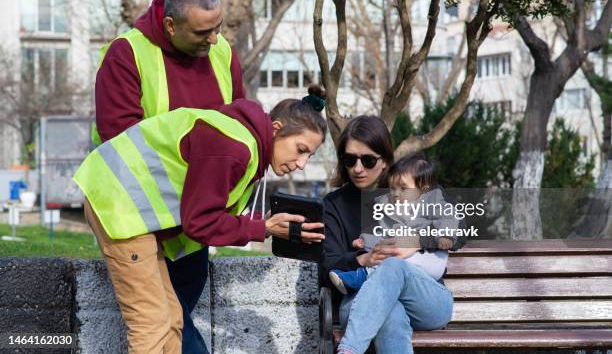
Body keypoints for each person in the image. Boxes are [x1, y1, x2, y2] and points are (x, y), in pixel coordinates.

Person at [74, 86, 327, 353]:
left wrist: (262, 224)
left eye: (309, 156)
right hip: (118, 204)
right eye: (300, 149)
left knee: (172, 318)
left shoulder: (244, 141)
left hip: (128, 208)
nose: (301, 164)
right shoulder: (234, 148)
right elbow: (201, 222)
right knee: (151, 323)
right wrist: (262, 228)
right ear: (276, 128)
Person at [93, 0, 245, 354]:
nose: (213, 40)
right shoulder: (126, 53)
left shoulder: (222, 52)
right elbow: (121, 145)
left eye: (217, 28)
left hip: (193, 225)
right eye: (202, 32)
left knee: (175, 323)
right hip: (139, 220)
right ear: (171, 25)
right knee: (159, 326)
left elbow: (237, 123)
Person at [319, 116, 456, 354]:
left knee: (392, 268)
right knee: (388, 311)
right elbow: (326, 265)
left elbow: (458, 229)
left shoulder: (414, 185)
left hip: (422, 299)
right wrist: (362, 259)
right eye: (350, 160)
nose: (357, 168)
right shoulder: (334, 205)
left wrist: (417, 241)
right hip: (361, 299)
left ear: (385, 160)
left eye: (368, 160)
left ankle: (349, 349)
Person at [328, 154, 459, 294]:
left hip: (430, 259)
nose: (396, 194)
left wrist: (446, 235)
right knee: (388, 255)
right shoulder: (390, 209)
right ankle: (364, 278)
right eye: (392, 188)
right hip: (403, 262)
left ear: (424, 189)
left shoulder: (432, 202)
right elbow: (384, 236)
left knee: (392, 264)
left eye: (403, 188)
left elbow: (448, 217)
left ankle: (363, 277)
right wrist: (365, 240)